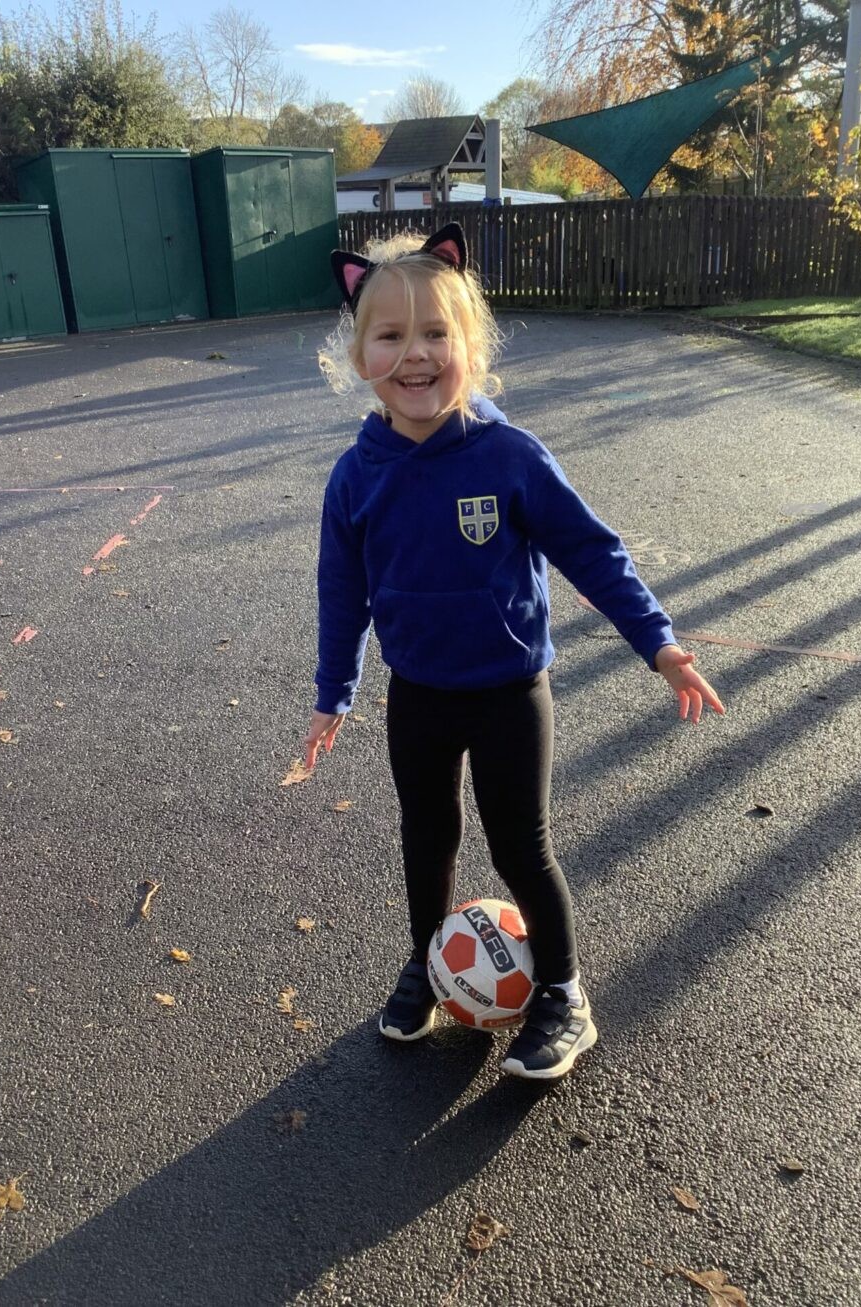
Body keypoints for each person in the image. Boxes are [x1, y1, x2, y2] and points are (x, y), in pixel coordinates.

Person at [303, 223, 724, 1081]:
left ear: (472, 348)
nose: (415, 354)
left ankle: (565, 993)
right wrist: (334, 691)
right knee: (427, 837)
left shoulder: (509, 456)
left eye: (436, 334)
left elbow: (593, 550)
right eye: (391, 335)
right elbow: (341, 594)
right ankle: (427, 962)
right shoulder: (356, 476)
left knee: (520, 846)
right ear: (358, 355)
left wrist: (659, 643)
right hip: (417, 692)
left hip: (508, 691)